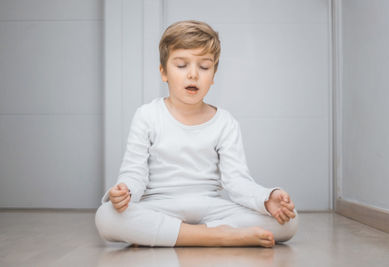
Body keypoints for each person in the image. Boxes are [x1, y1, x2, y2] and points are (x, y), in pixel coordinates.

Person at [95, 20, 298, 248]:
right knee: (106, 217)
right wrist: (125, 191)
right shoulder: (147, 116)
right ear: (163, 72)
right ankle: (218, 236)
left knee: (289, 221)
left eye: (204, 67)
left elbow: (237, 181)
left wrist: (267, 198)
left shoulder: (225, 122)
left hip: (210, 208)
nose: (193, 74)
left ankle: (173, 235)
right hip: (160, 205)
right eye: (181, 65)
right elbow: (134, 173)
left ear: (213, 75)